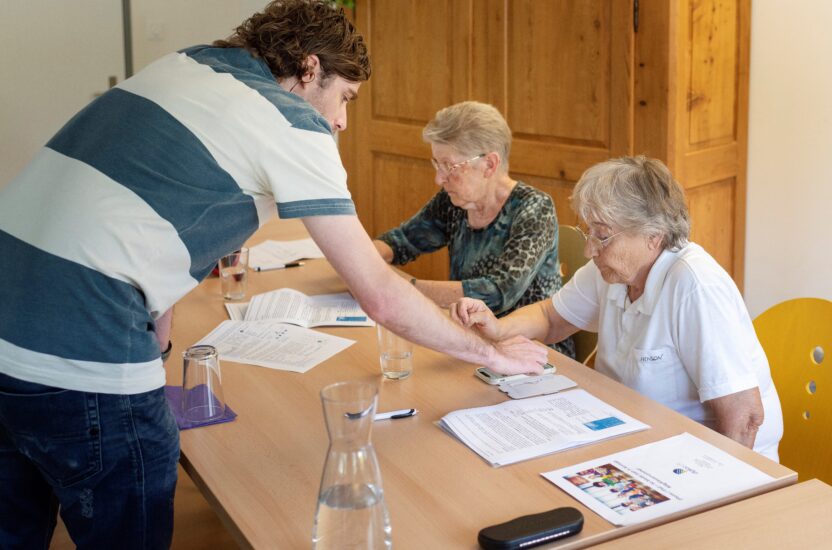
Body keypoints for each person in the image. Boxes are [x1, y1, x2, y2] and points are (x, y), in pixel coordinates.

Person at [0, 1, 545, 547]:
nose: (341, 121)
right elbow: (379, 297)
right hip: (84, 353)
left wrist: (160, 357)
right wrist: (495, 355)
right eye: (345, 98)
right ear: (310, 70)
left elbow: (151, 232)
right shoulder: (291, 122)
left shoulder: (185, 64)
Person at [451, 156, 783, 461]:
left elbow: (745, 418)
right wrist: (497, 328)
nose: (589, 249)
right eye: (589, 232)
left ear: (653, 236)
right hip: (631, 438)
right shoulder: (612, 271)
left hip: (694, 456)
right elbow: (551, 318)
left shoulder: (694, 286)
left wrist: (719, 493)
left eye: (603, 235)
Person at [374, 101, 574, 357]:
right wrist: (359, 261)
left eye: (450, 166)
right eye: (437, 164)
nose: (439, 178)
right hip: (468, 341)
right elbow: (400, 241)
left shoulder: (534, 208)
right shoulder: (454, 201)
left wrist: (403, 288)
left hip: (530, 351)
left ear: (489, 164)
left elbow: (498, 291)